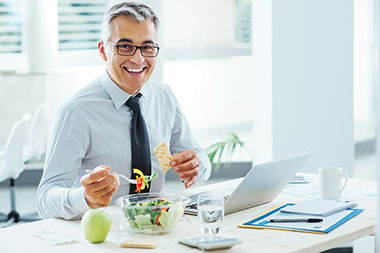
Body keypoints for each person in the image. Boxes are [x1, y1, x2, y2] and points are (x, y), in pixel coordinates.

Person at [37, 2, 211, 220]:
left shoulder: (164, 97)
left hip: (158, 227)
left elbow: (198, 156)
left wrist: (198, 167)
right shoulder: (76, 112)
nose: (138, 59)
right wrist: (85, 198)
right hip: (104, 235)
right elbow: (45, 200)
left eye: (147, 47)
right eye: (125, 46)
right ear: (103, 50)